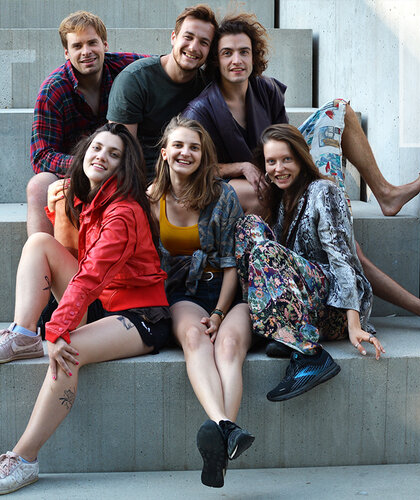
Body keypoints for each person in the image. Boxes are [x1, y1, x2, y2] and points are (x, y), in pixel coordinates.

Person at [183, 13, 420, 337]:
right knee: (347, 247)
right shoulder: (201, 109)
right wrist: (240, 166)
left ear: (255, 56)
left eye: (244, 52)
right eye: (227, 53)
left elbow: (287, 141)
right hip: (247, 187)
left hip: (279, 170)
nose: (237, 60)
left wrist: (307, 175)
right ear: (216, 60)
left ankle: (384, 194)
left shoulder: (265, 90)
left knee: (339, 109)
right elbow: (195, 166)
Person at [0, 124, 170, 495]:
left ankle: (24, 458)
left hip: (140, 315)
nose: (101, 157)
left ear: (123, 166)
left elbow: (90, 276)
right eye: (97, 148)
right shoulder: (89, 198)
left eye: (113, 154)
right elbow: (81, 270)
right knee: (39, 242)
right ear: (84, 152)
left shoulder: (123, 213)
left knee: (69, 350)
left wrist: (57, 330)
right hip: (102, 303)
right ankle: (23, 334)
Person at [236, 124, 384, 402]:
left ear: (301, 158)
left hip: (335, 308)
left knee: (267, 251)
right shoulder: (282, 199)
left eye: (287, 159)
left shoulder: (324, 191)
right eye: (271, 161)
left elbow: (342, 259)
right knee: (248, 226)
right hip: (305, 303)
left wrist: (354, 324)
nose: (278, 168)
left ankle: (310, 357)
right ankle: (271, 325)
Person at [149, 116, 252, 488]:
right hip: (183, 295)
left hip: (230, 292)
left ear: (203, 155)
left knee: (228, 344)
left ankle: (220, 441)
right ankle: (226, 428)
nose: (185, 152)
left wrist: (221, 312)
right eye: (178, 145)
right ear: (164, 152)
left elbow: (232, 262)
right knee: (195, 338)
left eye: (194, 147)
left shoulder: (222, 195)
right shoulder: (151, 198)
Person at [26, 11, 146, 236]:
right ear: (66, 52)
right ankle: (41, 251)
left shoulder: (126, 68)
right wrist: (90, 164)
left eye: (92, 43)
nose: (86, 51)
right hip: (75, 172)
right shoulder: (53, 90)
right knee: (38, 184)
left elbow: (165, 66)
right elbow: (41, 156)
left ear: (105, 45)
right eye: (77, 46)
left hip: (122, 165)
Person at [107, 4, 217, 170]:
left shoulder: (207, 86)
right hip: (141, 176)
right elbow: (120, 152)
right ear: (173, 37)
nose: (193, 47)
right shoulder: (134, 80)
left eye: (204, 42)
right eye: (188, 37)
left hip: (190, 175)